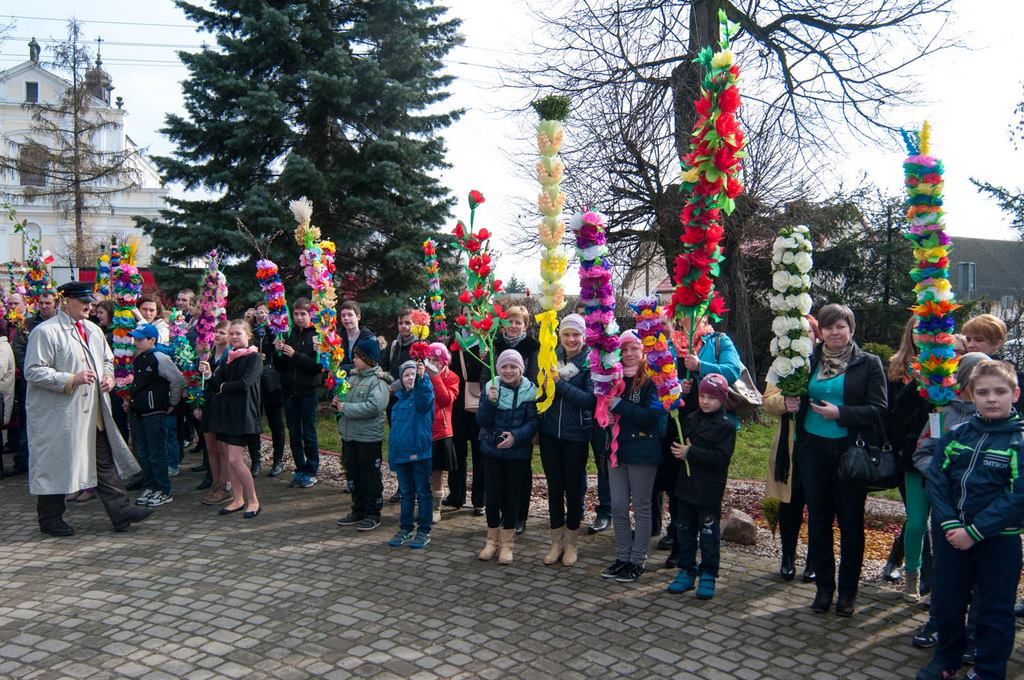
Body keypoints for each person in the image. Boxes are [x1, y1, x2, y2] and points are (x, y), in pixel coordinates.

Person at [917, 360, 1023, 680]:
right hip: (952, 537)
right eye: (983, 392)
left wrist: (974, 532)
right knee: (947, 602)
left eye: (1000, 392)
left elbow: (1017, 496)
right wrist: (951, 524)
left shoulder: (1018, 442)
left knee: (994, 609)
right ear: (971, 396)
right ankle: (947, 659)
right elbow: (937, 480)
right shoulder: (956, 434)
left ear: (1015, 394)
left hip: (998, 540)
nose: (992, 398)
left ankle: (988, 669)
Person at [26, 281, 151, 536]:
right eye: (83, 302)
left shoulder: (93, 330)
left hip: (93, 411)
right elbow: (33, 371)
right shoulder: (46, 332)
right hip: (61, 414)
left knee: (103, 462)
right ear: (66, 302)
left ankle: (122, 511)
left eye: (90, 302)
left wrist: (109, 377)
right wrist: (71, 379)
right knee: (57, 463)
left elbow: (107, 360)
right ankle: (49, 519)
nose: (89, 307)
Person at [788, 303, 886, 617]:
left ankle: (847, 593)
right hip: (812, 449)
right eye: (829, 327)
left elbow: (878, 410)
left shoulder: (868, 363)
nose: (834, 332)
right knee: (818, 521)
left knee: (850, 524)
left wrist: (840, 413)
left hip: (849, 451)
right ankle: (824, 588)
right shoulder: (807, 360)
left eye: (840, 326)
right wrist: (792, 402)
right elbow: (796, 395)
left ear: (851, 330)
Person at [908, 352, 987, 650]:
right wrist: (945, 477)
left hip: (982, 512)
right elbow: (922, 452)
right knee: (945, 569)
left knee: (981, 575)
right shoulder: (942, 413)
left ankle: (975, 633)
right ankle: (938, 623)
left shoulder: (996, 418)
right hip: (947, 509)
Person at [660, 313, 743, 563]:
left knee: (701, 482)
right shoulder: (670, 342)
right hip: (677, 420)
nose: (687, 318)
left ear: (704, 314)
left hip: (710, 425)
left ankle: (704, 543)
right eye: (682, 313)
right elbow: (659, 375)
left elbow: (733, 371)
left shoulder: (718, 341)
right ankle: (678, 537)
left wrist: (700, 367)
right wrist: (676, 384)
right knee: (677, 483)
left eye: (692, 312)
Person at [601, 330, 667, 584]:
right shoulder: (613, 377)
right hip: (616, 450)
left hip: (642, 452)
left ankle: (637, 560)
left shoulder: (653, 380)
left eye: (634, 349)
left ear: (643, 351)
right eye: (624, 349)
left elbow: (651, 418)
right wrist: (606, 415)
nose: (628, 354)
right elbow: (604, 406)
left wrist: (619, 406)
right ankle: (622, 556)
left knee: (641, 507)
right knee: (618, 506)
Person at [665, 374, 736, 599]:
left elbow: (721, 458)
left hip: (708, 492)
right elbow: (677, 438)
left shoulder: (726, 426)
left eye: (711, 398)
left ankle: (708, 573)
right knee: (684, 532)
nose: (705, 401)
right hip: (685, 489)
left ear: (722, 399)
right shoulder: (690, 418)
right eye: (702, 396)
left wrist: (691, 452)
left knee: (708, 535)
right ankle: (687, 570)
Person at [764, 313, 819, 583]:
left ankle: (814, 560)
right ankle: (787, 556)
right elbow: (767, 400)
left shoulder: (824, 365)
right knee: (790, 503)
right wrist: (785, 403)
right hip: (790, 445)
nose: (804, 338)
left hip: (818, 444)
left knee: (818, 506)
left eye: (808, 333)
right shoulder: (780, 365)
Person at [538, 313, 595, 567]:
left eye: (576, 335)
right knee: (554, 489)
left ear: (583, 336)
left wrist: (559, 383)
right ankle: (556, 542)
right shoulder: (551, 357)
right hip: (550, 434)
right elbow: (541, 392)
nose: (571, 339)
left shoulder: (590, 362)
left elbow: (589, 400)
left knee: (573, 489)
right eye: (566, 334)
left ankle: (571, 543)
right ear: (560, 336)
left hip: (576, 436)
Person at [476, 349, 540, 565]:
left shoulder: (530, 391)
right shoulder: (490, 388)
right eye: (504, 366)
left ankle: (507, 545)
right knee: (492, 497)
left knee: (511, 498)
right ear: (498, 369)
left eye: (513, 367)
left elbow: (533, 422)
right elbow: (483, 421)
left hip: (517, 454)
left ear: (521, 369)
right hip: (492, 452)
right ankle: (491, 541)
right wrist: (490, 402)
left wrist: (516, 437)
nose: (508, 371)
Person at [882, 318, 932, 585]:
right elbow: (890, 411)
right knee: (916, 514)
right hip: (906, 451)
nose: (922, 335)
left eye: (928, 330)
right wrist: (900, 446)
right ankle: (922, 571)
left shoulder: (947, 365)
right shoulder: (897, 366)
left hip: (935, 448)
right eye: (917, 330)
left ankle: (901, 560)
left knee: (923, 514)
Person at [202, 319, 263, 518]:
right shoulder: (230, 357)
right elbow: (217, 383)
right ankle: (237, 499)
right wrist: (209, 375)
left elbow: (244, 383)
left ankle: (253, 500)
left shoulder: (254, 357)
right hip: (227, 414)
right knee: (229, 460)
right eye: (232, 334)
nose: (234, 337)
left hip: (242, 414)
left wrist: (222, 387)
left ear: (248, 336)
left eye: (239, 333)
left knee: (235, 460)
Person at [491, 305, 540, 536]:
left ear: (525, 325)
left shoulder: (532, 347)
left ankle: (520, 515)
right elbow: (488, 375)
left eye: (518, 322)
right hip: (499, 412)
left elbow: (534, 378)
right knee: (500, 470)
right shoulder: (495, 343)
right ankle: (505, 512)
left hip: (522, 411)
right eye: (509, 321)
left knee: (521, 470)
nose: (513, 326)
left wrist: (519, 396)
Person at [334, 336, 390, 531]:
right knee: (354, 474)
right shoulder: (352, 377)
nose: (354, 359)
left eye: (358, 356)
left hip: (368, 438)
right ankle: (357, 509)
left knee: (369, 476)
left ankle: (372, 513)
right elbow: (345, 398)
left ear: (368, 359)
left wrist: (346, 408)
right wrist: (337, 401)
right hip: (350, 436)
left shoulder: (378, 381)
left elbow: (375, 406)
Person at [127, 323, 184, 508]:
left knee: (156, 452)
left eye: (140, 339)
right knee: (143, 452)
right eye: (135, 339)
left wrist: (172, 403)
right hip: (139, 411)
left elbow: (177, 379)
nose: (136, 342)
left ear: (152, 340)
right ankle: (151, 486)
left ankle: (163, 489)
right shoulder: (139, 358)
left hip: (154, 412)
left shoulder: (159, 357)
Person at [274, 299, 322, 488]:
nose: (300, 318)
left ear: (310, 315)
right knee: (294, 433)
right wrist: (278, 352)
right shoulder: (288, 334)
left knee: (308, 432)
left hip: (308, 390)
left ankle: (311, 470)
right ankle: (300, 468)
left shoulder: (317, 335)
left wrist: (295, 355)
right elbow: (279, 367)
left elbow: (317, 367)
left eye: (303, 314)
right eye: (296, 314)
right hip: (289, 391)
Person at [386, 360, 435, 548]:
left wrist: (423, 379)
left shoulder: (422, 395)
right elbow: (395, 433)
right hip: (401, 455)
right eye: (406, 375)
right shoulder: (399, 402)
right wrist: (393, 456)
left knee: (423, 493)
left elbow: (425, 399)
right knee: (406, 493)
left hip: (420, 454)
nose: (410, 378)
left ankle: (424, 530)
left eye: (413, 374)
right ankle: (406, 528)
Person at [448, 330, 485, 515]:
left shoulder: (486, 341)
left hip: (479, 404)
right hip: (457, 404)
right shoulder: (453, 342)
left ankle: (480, 500)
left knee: (480, 454)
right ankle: (456, 495)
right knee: (457, 451)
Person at [196, 321, 232, 501]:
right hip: (208, 404)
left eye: (222, 333)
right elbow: (199, 382)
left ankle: (226, 485)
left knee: (223, 447)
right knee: (210, 447)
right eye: (216, 332)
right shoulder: (208, 355)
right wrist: (197, 404)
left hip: (223, 405)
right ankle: (216, 483)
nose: (217, 335)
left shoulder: (231, 356)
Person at [248, 304, 286, 477]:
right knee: (254, 422)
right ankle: (255, 461)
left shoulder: (275, 331)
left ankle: (278, 460)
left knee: (275, 422)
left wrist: (271, 327)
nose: (261, 315)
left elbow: (279, 353)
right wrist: (248, 322)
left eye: (264, 312)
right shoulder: (251, 331)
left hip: (272, 382)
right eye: (258, 312)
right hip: (254, 383)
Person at [425, 342, 460, 524]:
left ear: (444, 362)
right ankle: (424, 504)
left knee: (437, 471)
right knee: (422, 470)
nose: (431, 363)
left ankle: (435, 507)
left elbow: (446, 399)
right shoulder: (421, 375)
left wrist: (435, 377)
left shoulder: (452, 377)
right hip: (423, 430)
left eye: (436, 360)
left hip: (441, 431)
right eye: (429, 359)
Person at [338, 301, 376, 376]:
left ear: (358, 317)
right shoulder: (336, 337)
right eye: (343, 315)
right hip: (339, 379)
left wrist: (343, 369)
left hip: (362, 378)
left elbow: (367, 363)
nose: (346, 318)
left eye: (350, 315)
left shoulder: (368, 338)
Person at [381, 308, 415, 377]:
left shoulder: (421, 346)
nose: (403, 326)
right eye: (400, 323)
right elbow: (382, 369)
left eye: (407, 323)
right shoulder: (393, 346)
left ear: (415, 324)